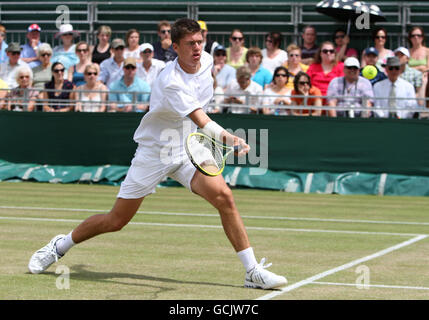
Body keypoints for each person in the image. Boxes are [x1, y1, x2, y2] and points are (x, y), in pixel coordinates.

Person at [27, 18, 287, 290]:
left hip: (187, 145)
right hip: (155, 152)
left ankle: (252, 271)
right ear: (175, 47)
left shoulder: (207, 60)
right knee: (116, 221)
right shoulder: (170, 80)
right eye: (190, 44)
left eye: (200, 41)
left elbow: (199, 114)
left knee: (224, 196)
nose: (197, 48)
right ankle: (60, 245)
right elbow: (202, 120)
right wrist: (230, 138)